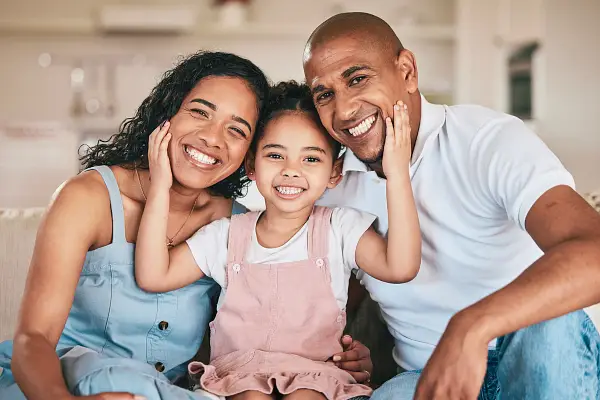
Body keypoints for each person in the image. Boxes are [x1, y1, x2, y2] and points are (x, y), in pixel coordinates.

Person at [0, 51, 370, 400]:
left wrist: (333, 357)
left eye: (237, 130)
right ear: (168, 114)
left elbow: (249, 342)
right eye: (200, 112)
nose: (212, 138)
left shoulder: (238, 227)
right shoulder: (89, 198)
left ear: (250, 155)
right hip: (61, 383)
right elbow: (33, 340)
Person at [303, 12, 600, 400]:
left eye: (357, 79)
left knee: (553, 325)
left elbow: (593, 251)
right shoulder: (330, 188)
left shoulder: (486, 141)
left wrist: (472, 326)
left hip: (536, 357)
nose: (343, 111)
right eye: (324, 94)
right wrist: (343, 352)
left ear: (407, 71)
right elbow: (322, 300)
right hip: (426, 377)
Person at [133, 81, 421, 400]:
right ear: (251, 165)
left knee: (306, 395)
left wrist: (397, 175)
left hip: (316, 375)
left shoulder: (340, 228)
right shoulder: (226, 235)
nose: (291, 171)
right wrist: (160, 186)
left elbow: (401, 267)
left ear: (334, 172)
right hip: (238, 376)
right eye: (275, 155)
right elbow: (153, 275)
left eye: (310, 159)